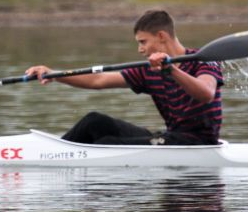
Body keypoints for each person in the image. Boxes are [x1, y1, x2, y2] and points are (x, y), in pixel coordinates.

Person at [25, 10, 223, 145]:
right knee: (95, 122)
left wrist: (170, 70)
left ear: (161, 36)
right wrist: (55, 75)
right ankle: (55, 153)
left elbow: (206, 93)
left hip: (198, 142)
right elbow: (98, 80)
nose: (140, 49)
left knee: (106, 143)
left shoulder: (203, 61)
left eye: (143, 42)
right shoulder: (148, 70)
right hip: (170, 137)